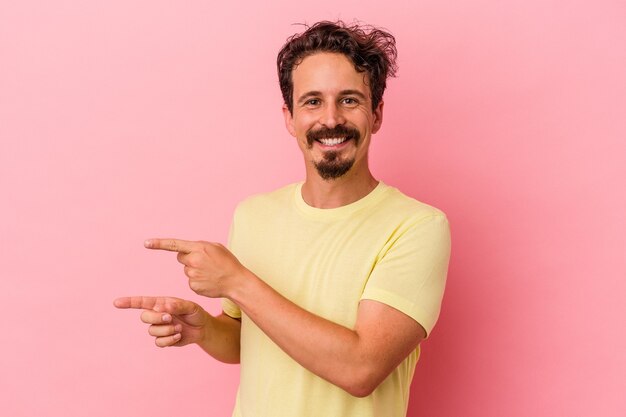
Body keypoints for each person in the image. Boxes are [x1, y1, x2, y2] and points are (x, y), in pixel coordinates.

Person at [114, 20, 451, 417]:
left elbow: (362, 368)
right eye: (312, 101)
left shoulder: (417, 227)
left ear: (376, 114)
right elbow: (247, 339)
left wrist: (237, 281)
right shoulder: (253, 215)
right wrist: (204, 330)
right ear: (289, 118)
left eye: (349, 100)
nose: (330, 119)